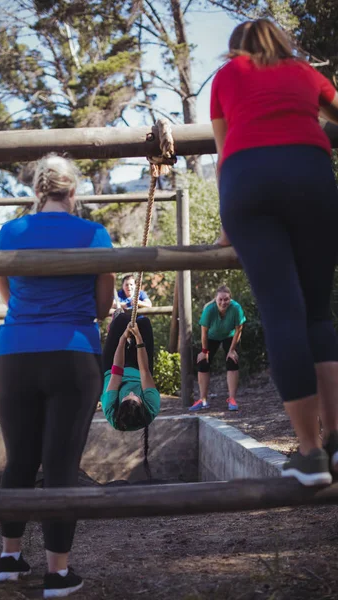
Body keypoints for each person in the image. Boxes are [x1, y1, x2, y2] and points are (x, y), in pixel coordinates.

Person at [211, 18, 338, 486]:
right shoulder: (305, 73)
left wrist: (228, 225)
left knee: (284, 316)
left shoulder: (226, 77)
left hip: (249, 183)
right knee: (317, 316)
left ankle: (310, 456)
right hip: (311, 175)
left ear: (234, 49)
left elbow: (225, 155)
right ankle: (337, 443)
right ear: (284, 43)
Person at [0, 154, 115, 597]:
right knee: (60, 464)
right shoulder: (93, 234)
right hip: (73, 353)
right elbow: (103, 305)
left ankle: (9, 558)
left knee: (19, 458)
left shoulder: (10, 233)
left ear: (38, 191)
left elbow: (7, 293)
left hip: (14, 356)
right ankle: (57, 574)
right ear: (74, 192)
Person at [100, 313, 161, 475]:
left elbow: (117, 372)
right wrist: (138, 340)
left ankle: (115, 327)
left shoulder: (110, 409)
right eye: (136, 395)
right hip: (138, 371)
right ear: (142, 402)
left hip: (111, 371)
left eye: (128, 395)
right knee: (144, 323)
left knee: (121, 321)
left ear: (120, 403)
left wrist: (122, 340)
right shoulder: (151, 406)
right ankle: (132, 329)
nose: (132, 391)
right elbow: (144, 370)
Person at [189, 285, 245, 412]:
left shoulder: (236, 308)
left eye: (226, 299)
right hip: (211, 336)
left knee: (232, 361)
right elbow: (203, 332)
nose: (223, 302)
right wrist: (204, 352)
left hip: (230, 336)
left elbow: (238, 330)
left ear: (230, 299)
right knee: (203, 362)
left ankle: (232, 399)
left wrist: (232, 350)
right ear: (216, 299)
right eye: (220, 299)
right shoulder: (209, 309)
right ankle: (202, 399)